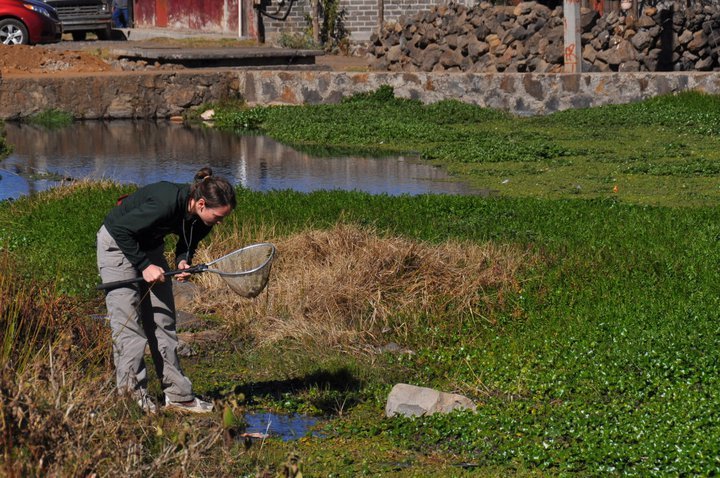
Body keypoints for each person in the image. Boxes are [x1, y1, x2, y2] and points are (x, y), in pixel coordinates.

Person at [96, 167, 236, 414]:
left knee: (163, 320)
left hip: (148, 248)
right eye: (218, 216)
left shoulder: (204, 218)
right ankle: (132, 398)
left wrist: (183, 260)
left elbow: (187, 240)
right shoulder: (165, 202)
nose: (220, 222)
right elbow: (121, 230)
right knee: (129, 326)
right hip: (117, 244)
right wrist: (144, 266)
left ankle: (179, 396)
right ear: (201, 203)